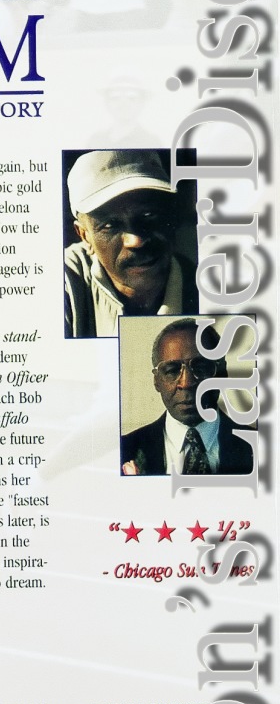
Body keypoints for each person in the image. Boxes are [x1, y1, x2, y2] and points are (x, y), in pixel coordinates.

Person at [63, 149, 197, 338]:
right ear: (85, 236)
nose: (136, 241)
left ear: (171, 217)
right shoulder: (64, 280)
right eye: (109, 225)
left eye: (148, 215)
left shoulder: (206, 282)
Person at [121, 319, 254, 475]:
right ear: (156, 381)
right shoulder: (124, 449)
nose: (187, 383)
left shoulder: (258, 445)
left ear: (223, 374)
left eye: (201, 367)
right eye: (172, 370)